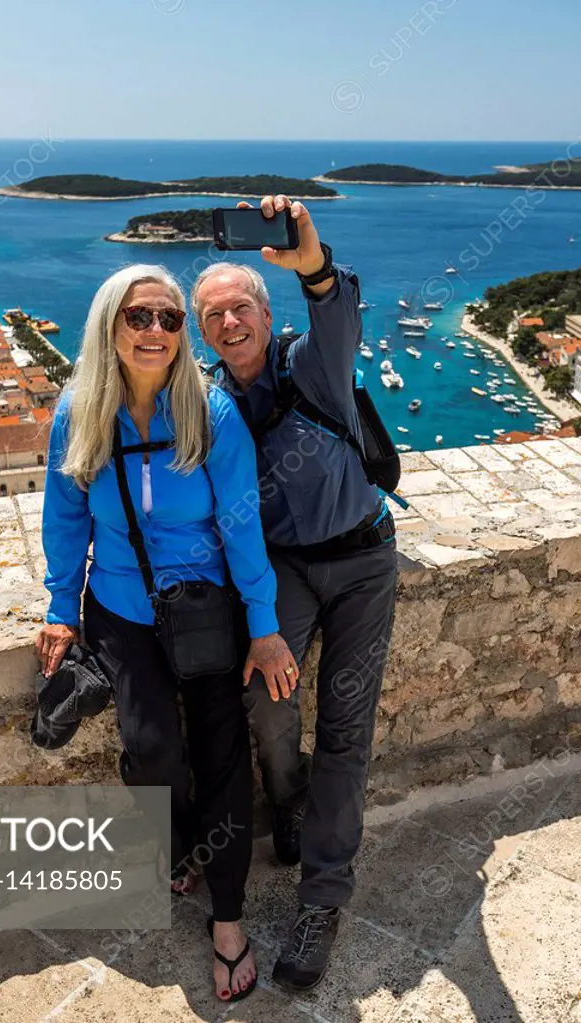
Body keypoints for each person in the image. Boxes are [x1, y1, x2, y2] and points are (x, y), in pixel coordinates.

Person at [35, 264, 298, 1003]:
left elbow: (241, 525)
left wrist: (265, 625)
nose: (155, 331)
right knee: (151, 747)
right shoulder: (79, 412)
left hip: (209, 610)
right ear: (109, 325)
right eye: (138, 316)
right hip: (120, 608)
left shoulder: (210, 414)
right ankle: (181, 842)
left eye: (169, 319)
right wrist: (61, 605)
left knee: (222, 761)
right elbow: (65, 517)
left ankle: (227, 920)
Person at [192, 196, 398, 992]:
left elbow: (334, 302)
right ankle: (287, 798)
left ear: (263, 309)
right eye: (211, 314)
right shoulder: (210, 402)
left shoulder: (312, 361)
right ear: (202, 329)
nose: (228, 322)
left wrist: (307, 254)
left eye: (239, 306)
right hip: (281, 568)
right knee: (267, 702)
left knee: (346, 730)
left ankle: (321, 899)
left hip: (362, 561)